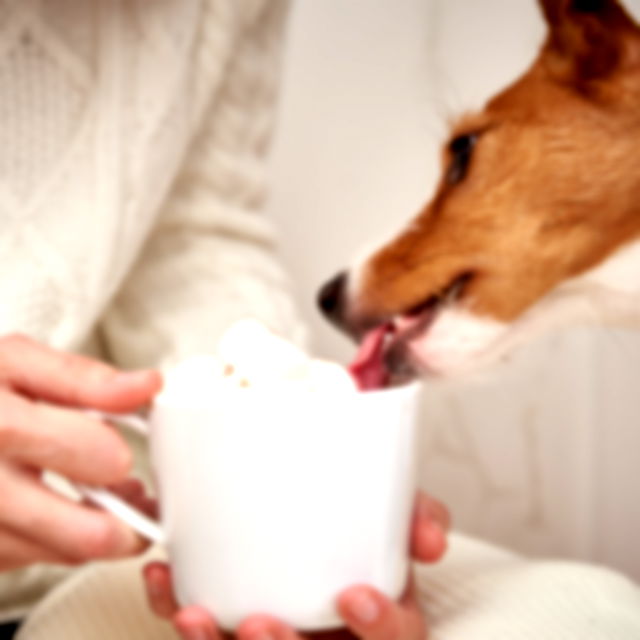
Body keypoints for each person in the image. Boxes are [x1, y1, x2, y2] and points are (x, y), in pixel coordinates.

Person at [2, 2, 640, 640]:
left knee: (594, 613)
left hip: (137, 550)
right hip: (67, 568)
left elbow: (193, 234)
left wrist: (281, 471)